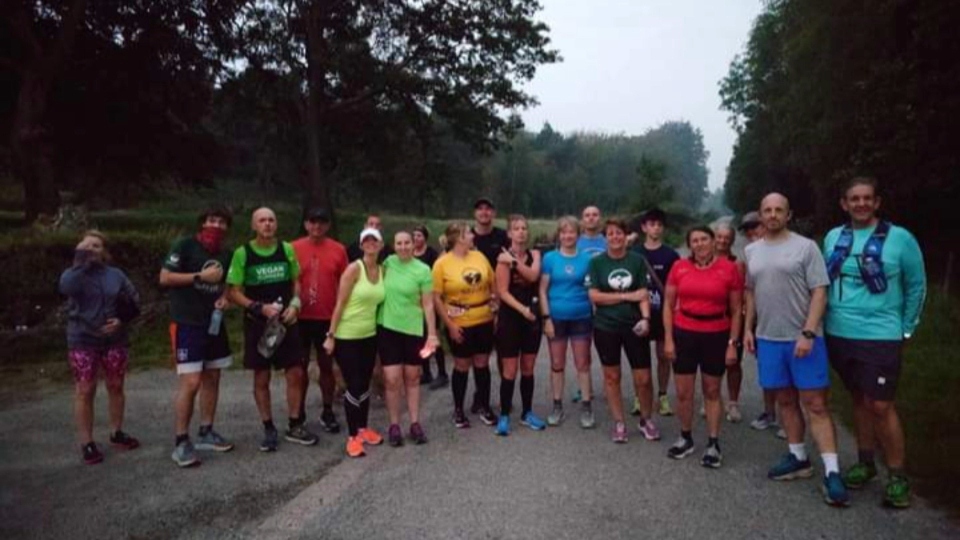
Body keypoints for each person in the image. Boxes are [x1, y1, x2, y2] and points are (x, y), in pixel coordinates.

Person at [823, 177, 926, 508]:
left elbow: (917, 285)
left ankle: (897, 475)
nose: (861, 204)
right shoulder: (833, 237)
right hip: (839, 332)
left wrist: (906, 328)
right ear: (844, 203)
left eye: (867, 198)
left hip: (881, 334)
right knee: (858, 399)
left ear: (877, 202)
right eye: (855, 199)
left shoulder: (901, 239)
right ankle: (866, 462)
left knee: (881, 404)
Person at [743, 193, 849, 507]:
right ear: (761, 216)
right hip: (768, 338)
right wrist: (748, 329)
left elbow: (820, 291)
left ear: (789, 215)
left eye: (779, 210)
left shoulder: (806, 247)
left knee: (815, 404)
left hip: (804, 339)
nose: (773, 215)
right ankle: (798, 457)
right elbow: (750, 293)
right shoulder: (751, 251)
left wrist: (808, 332)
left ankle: (832, 472)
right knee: (786, 400)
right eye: (767, 210)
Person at [227, 207, 318, 452]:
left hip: (286, 321)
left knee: (296, 372)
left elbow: (296, 281)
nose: (267, 224)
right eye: (262, 221)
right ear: (254, 226)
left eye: (271, 220)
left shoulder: (287, 249)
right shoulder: (242, 253)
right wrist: (257, 307)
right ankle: (268, 427)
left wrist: (296, 304)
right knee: (261, 376)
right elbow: (233, 291)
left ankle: (295, 423)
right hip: (258, 324)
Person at [161, 207, 235, 467]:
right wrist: (199, 276)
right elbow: (165, 277)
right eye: (211, 221)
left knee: (213, 377)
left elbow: (228, 283)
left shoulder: (226, 253)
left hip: (213, 323)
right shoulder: (185, 245)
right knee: (191, 382)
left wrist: (225, 298)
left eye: (221, 222)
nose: (216, 226)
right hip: (187, 323)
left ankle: (206, 431)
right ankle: (181, 440)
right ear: (202, 223)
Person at [663, 226, 743, 468]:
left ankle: (713, 442)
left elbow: (737, 310)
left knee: (711, 390)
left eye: (704, 239)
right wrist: (668, 338)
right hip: (684, 332)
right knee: (684, 392)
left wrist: (732, 343)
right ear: (689, 245)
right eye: (694, 240)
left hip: (716, 334)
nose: (699, 244)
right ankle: (685, 437)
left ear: (713, 241)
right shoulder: (679, 268)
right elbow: (668, 305)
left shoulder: (729, 269)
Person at [60, 230, 141, 465]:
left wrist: (121, 319)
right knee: (85, 389)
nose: (91, 250)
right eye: (86, 246)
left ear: (104, 252)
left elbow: (134, 299)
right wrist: (80, 263)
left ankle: (117, 431)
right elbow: (66, 288)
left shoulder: (115, 274)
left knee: (116, 385)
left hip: (114, 339)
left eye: (96, 246)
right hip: (83, 339)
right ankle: (87, 442)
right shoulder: (73, 275)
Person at [587, 218, 658, 443]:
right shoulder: (597, 263)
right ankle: (619, 422)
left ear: (626, 236)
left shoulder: (636, 261)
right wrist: (626, 296)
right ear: (605, 238)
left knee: (644, 378)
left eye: (619, 233)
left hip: (634, 325)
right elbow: (594, 296)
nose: (615, 237)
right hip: (606, 327)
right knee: (612, 376)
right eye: (610, 234)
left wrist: (646, 319)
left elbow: (644, 295)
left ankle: (646, 419)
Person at [325, 227, 387, 457]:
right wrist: (331, 336)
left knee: (365, 383)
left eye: (375, 240)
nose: (371, 244)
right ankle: (352, 437)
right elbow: (340, 304)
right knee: (354, 384)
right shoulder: (354, 269)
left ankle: (363, 428)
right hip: (346, 335)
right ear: (361, 246)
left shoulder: (382, 270)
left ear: (381, 245)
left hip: (369, 335)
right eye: (366, 241)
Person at [432, 221, 498, 428]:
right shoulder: (442, 263)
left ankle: (484, 406)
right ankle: (458, 409)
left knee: (482, 363)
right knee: (461, 365)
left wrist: (494, 301)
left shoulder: (479, 257)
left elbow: (492, 282)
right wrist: (449, 325)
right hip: (459, 321)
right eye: (469, 233)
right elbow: (436, 297)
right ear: (459, 237)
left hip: (484, 318)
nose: (472, 236)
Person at [378, 231, 439, 446]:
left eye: (407, 243)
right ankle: (394, 425)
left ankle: (414, 423)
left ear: (414, 245)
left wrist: (432, 333)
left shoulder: (423, 269)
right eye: (399, 243)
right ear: (393, 246)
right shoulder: (387, 263)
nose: (403, 247)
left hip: (413, 329)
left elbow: (428, 304)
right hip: (388, 328)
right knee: (392, 379)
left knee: (412, 377)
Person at [293, 208, 346, 434]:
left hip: (327, 317)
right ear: (306, 225)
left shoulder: (338, 249)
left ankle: (327, 409)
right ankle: (298, 412)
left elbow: (346, 282)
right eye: (312, 222)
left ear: (327, 226)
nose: (317, 227)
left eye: (322, 223)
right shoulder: (293, 248)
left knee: (326, 365)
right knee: (299, 366)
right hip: (300, 317)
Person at [493, 215, 547, 435]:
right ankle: (504, 414)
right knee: (509, 369)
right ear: (509, 233)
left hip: (532, 320)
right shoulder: (501, 258)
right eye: (516, 228)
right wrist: (522, 309)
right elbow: (502, 292)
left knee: (528, 367)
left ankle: (527, 412)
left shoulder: (535, 254)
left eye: (524, 228)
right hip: (511, 318)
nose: (521, 232)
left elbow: (534, 276)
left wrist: (515, 262)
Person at [540, 216, 595, 428]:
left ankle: (587, 406)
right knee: (557, 364)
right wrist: (546, 318)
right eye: (563, 232)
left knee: (583, 363)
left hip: (581, 316)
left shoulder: (587, 260)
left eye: (571, 232)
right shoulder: (550, 259)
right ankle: (557, 406)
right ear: (559, 235)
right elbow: (542, 290)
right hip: (556, 317)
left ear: (578, 235)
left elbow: (591, 289)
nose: (567, 236)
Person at [630, 208, 680, 418]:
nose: (656, 228)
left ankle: (662, 395)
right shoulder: (634, 252)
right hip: (639, 313)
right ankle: (639, 396)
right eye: (651, 224)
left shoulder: (671, 254)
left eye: (659, 225)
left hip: (663, 313)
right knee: (638, 358)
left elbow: (677, 285)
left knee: (663, 356)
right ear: (643, 227)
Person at [739, 210, 780, 434]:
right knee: (767, 367)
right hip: (760, 318)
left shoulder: (784, 247)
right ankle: (769, 412)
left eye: (755, 227)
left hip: (786, 318)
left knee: (789, 372)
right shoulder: (750, 252)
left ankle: (789, 416)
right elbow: (749, 288)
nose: (752, 233)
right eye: (748, 230)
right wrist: (748, 324)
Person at [713, 222, 747, 423]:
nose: (723, 241)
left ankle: (733, 402)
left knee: (733, 362)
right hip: (711, 317)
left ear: (732, 240)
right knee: (710, 361)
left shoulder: (737, 264)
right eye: (719, 236)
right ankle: (712, 396)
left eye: (727, 237)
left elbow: (741, 294)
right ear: (714, 237)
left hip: (732, 317)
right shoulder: (706, 260)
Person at [412, 224, 448, 389]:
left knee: (433, 336)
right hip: (414, 302)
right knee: (420, 337)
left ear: (425, 238)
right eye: (414, 235)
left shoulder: (432, 254)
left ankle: (442, 373)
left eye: (419, 235)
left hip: (430, 301)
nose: (416, 238)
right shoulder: (410, 254)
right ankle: (426, 372)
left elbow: (437, 275)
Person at [471, 197, 509, 268]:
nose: (484, 212)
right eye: (480, 209)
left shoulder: (503, 236)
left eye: (488, 209)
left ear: (494, 213)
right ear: (474, 213)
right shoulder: (467, 237)